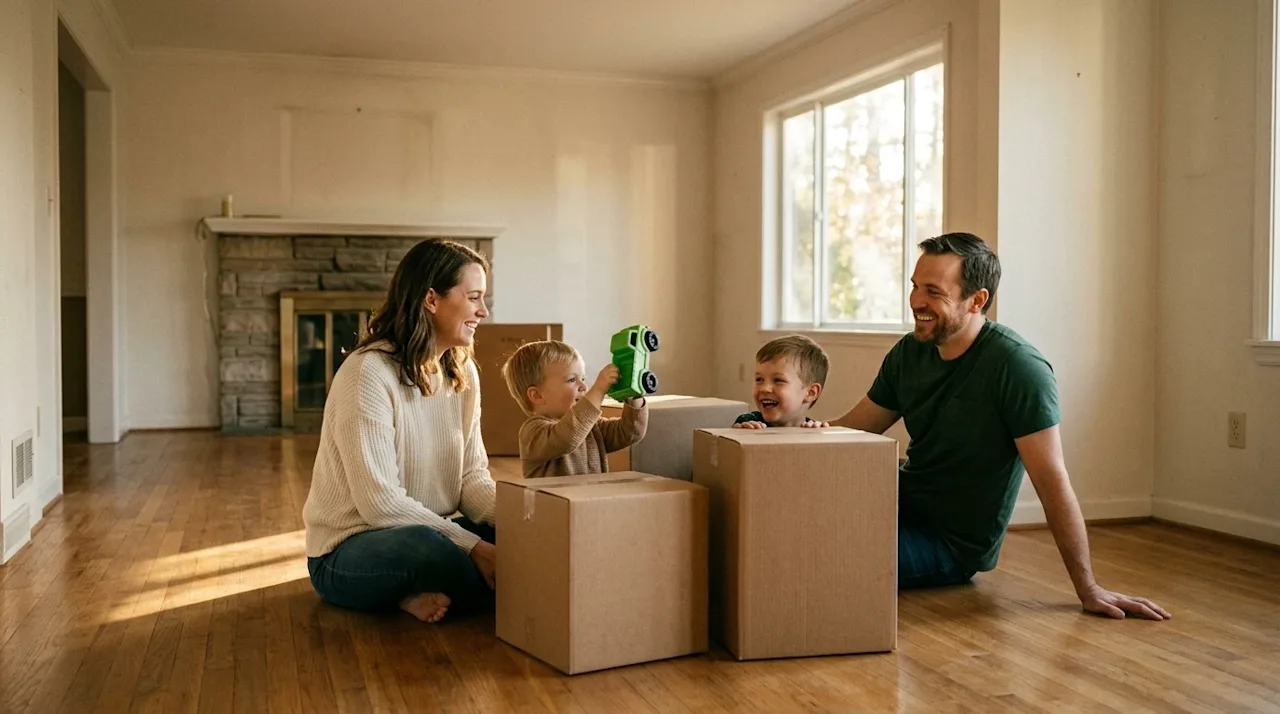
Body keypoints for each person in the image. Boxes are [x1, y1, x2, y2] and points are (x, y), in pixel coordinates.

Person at [835, 232, 1170, 621]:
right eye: (914, 286)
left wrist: (1089, 588)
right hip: (898, 505)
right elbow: (850, 432)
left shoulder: (1018, 368)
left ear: (977, 300)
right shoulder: (910, 352)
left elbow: (1052, 481)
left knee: (832, 558)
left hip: (950, 544)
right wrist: (780, 428)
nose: (916, 302)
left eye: (933, 291)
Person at [302, 238, 497, 624]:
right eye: (473, 297)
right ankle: (495, 584)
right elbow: (380, 505)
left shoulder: (463, 373)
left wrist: (525, 517)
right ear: (431, 299)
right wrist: (474, 547)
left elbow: (471, 479)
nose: (484, 311)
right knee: (430, 549)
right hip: (350, 549)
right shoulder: (368, 373)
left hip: (430, 531)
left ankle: (421, 592)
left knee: (516, 533)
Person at [501, 339, 648, 479]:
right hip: (554, 505)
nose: (584, 386)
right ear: (537, 396)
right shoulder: (533, 432)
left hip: (590, 503)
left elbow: (630, 432)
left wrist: (633, 394)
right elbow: (567, 437)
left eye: (582, 379)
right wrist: (598, 390)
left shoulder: (591, 427)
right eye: (572, 380)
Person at [732, 334, 831, 429]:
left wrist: (821, 437)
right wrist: (740, 434)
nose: (764, 388)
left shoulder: (813, 429)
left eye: (778, 380)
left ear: (810, 393)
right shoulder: (747, 423)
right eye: (759, 379)